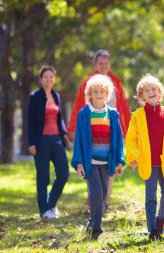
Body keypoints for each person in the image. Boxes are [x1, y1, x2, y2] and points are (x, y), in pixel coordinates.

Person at [67, 49, 131, 210]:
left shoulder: (116, 82)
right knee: (92, 164)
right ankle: (94, 200)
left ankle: (105, 200)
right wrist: (72, 128)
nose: (104, 66)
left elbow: (124, 106)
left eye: (106, 63)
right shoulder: (88, 83)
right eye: (100, 63)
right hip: (93, 131)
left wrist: (129, 127)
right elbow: (78, 107)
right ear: (95, 64)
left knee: (111, 166)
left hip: (112, 130)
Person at [125, 74, 164, 240]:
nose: (151, 92)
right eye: (146, 90)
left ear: (160, 92)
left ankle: (160, 218)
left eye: (154, 89)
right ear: (142, 96)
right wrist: (133, 157)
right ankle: (153, 230)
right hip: (148, 163)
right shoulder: (138, 116)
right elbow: (132, 138)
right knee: (150, 196)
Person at [71, 74, 125, 240]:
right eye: (95, 91)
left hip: (106, 162)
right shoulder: (84, 114)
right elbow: (78, 140)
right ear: (90, 94)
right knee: (96, 193)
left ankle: (92, 223)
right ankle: (96, 228)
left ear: (107, 93)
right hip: (91, 162)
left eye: (102, 91)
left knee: (104, 194)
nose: (99, 94)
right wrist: (79, 163)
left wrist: (119, 161)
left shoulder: (113, 114)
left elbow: (118, 140)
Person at [27, 65, 70, 219]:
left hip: (57, 139)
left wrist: (65, 134)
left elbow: (60, 119)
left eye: (51, 76)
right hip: (41, 141)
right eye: (45, 77)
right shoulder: (35, 97)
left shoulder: (56, 96)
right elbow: (30, 121)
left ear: (54, 78)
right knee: (43, 177)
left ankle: (51, 203)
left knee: (64, 173)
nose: (49, 79)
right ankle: (44, 210)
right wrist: (31, 143)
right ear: (41, 79)